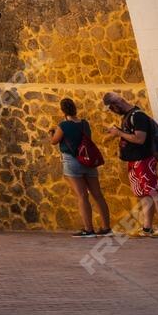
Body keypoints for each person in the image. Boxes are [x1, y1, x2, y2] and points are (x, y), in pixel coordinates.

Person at [106, 92, 158, 236]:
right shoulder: (128, 117)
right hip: (134, 161)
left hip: (144, 159)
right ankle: (147, 228)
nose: (112, 111)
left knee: (155, 192)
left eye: (111, 108)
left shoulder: (137, 116)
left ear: (116, 104)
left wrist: (118, 133)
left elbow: (139, 139)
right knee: (143, 194)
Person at [50, 97, 110, 237]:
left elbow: (54, 141)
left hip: (72, 161)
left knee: (82, 196)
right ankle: (106, 228)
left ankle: (89, 229)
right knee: (98, 195)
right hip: (88, 161)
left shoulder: (63, 125)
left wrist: (51, 133)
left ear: (63, 110)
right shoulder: (85, 124)